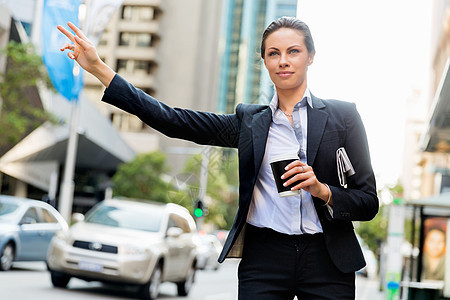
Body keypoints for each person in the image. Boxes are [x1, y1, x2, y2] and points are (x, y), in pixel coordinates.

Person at [57, 16, 379, 299]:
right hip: (265, 256)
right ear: (264, 62)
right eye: (273, 53)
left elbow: (368, 201)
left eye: (293, 51)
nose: (283, 60)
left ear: (310, 56)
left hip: (327, 257)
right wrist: (99, 68)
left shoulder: (344, 116)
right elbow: (172, 120)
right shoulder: (249, 123)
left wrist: (322, 190)